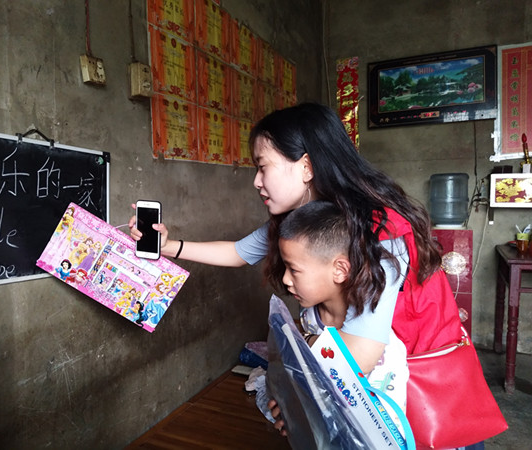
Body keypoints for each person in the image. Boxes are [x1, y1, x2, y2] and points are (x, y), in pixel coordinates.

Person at [129, 102, 462, 371]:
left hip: (420, 380)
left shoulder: (380, 230)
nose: (256, 181)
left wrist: (294, 397)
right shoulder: (306, 221)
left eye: (263, 167)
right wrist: (166, 246)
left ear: (306, 167)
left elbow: (361, 353)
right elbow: (237, 252)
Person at [277, 201, 409, 418]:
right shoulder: (309, 315)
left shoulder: (382, 350)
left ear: (340, 270)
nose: (285, 279)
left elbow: (382, 422)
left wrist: (306, 342)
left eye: (293, 270)